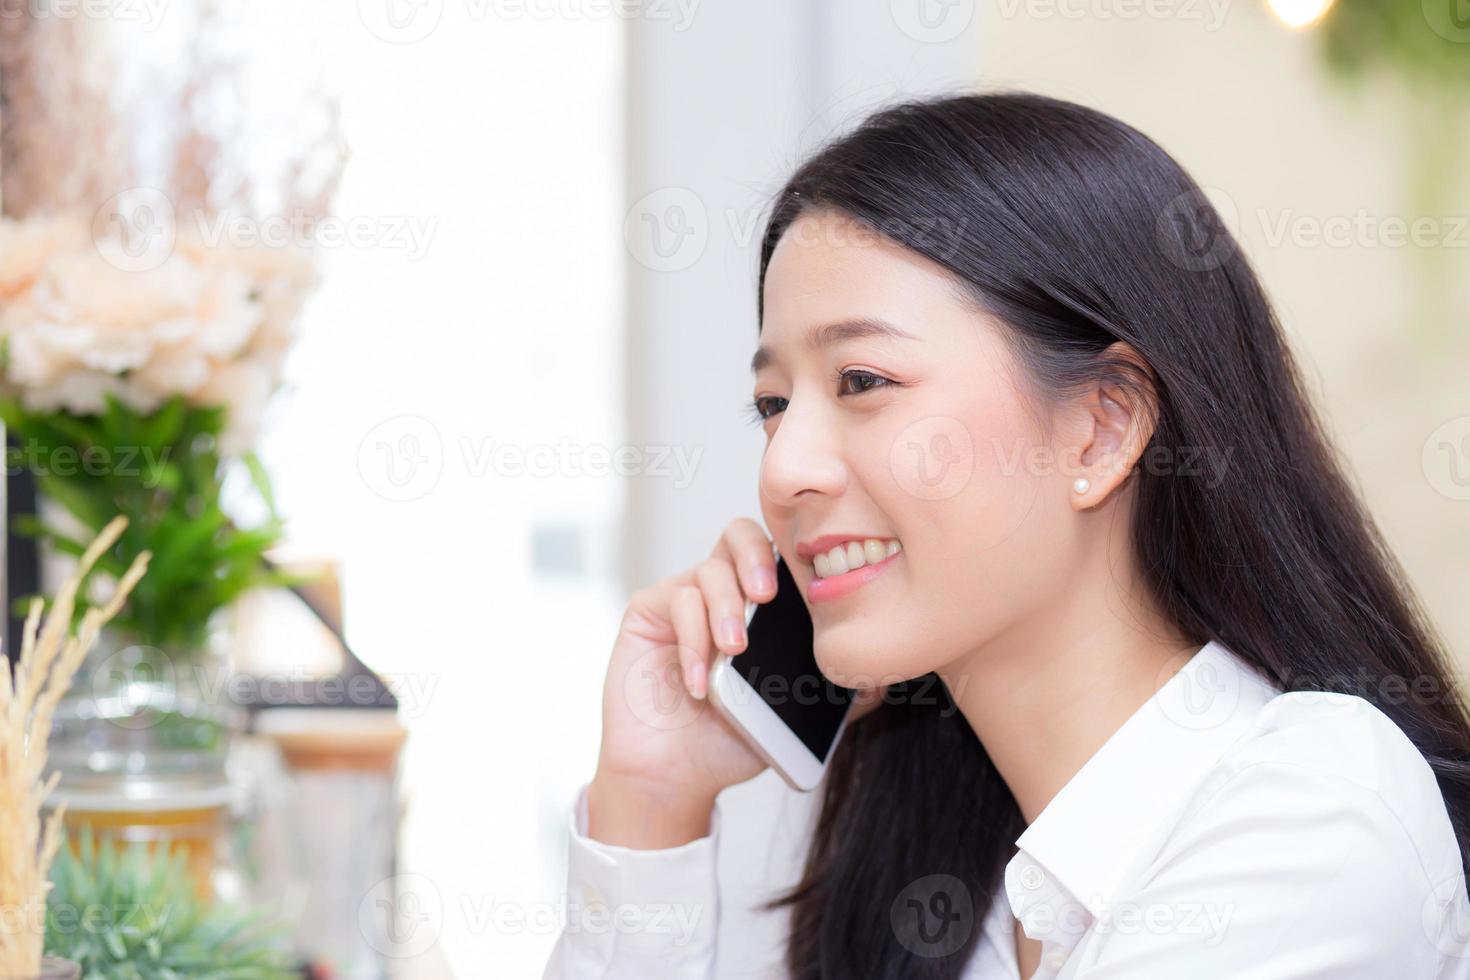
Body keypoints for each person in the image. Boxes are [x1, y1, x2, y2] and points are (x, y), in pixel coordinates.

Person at [543, 91, 1470, 978]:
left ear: (1101, 429)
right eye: (773, 406)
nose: (784, 469)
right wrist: (651, 803)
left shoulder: (1314, 813)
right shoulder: (943, 889)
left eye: (862, 381)